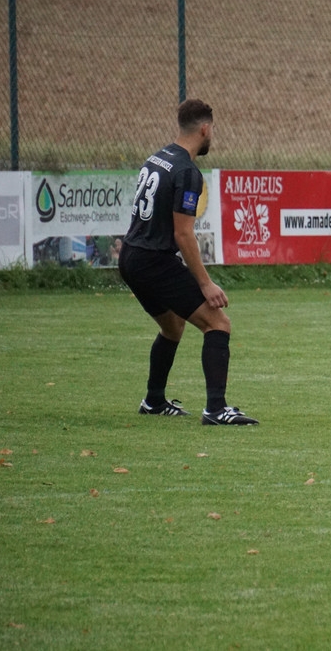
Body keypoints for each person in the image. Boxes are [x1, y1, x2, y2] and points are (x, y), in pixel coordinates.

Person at [118, 99, 256, 426]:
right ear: (204, 129)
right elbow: (183, 234)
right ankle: (216, 409)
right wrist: (205, 284)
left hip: (131, 256)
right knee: (218, 324)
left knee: (173, 326)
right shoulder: (187, 172)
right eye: (213, 131)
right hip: (153, 261)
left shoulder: (158, 157)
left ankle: (153, 401)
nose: (212, 136)